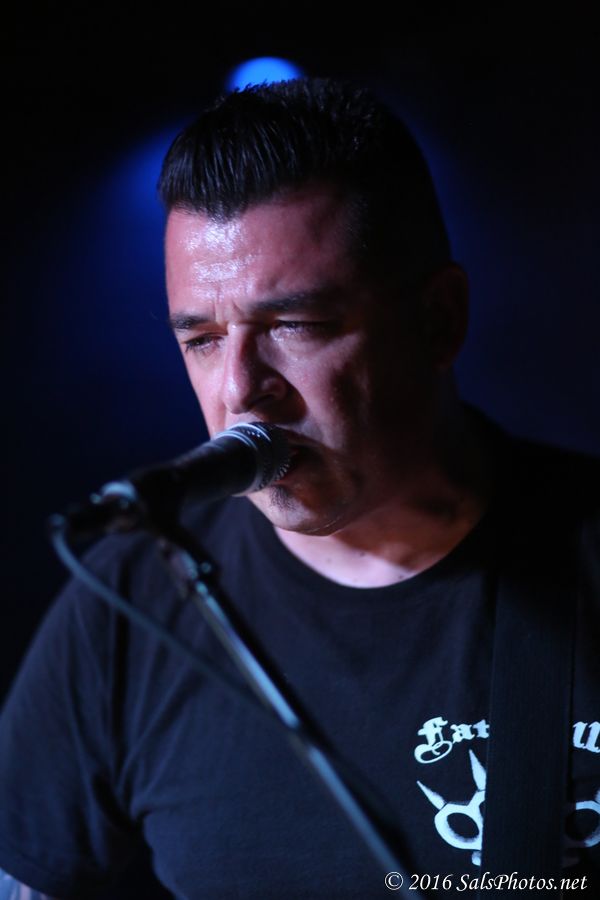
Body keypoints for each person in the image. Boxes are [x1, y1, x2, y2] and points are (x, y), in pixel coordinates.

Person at [0, 78, 598, 899]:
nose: (239, 390)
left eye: (295, 326)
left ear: (440, 321)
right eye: (202, 339)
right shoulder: (128, 603)